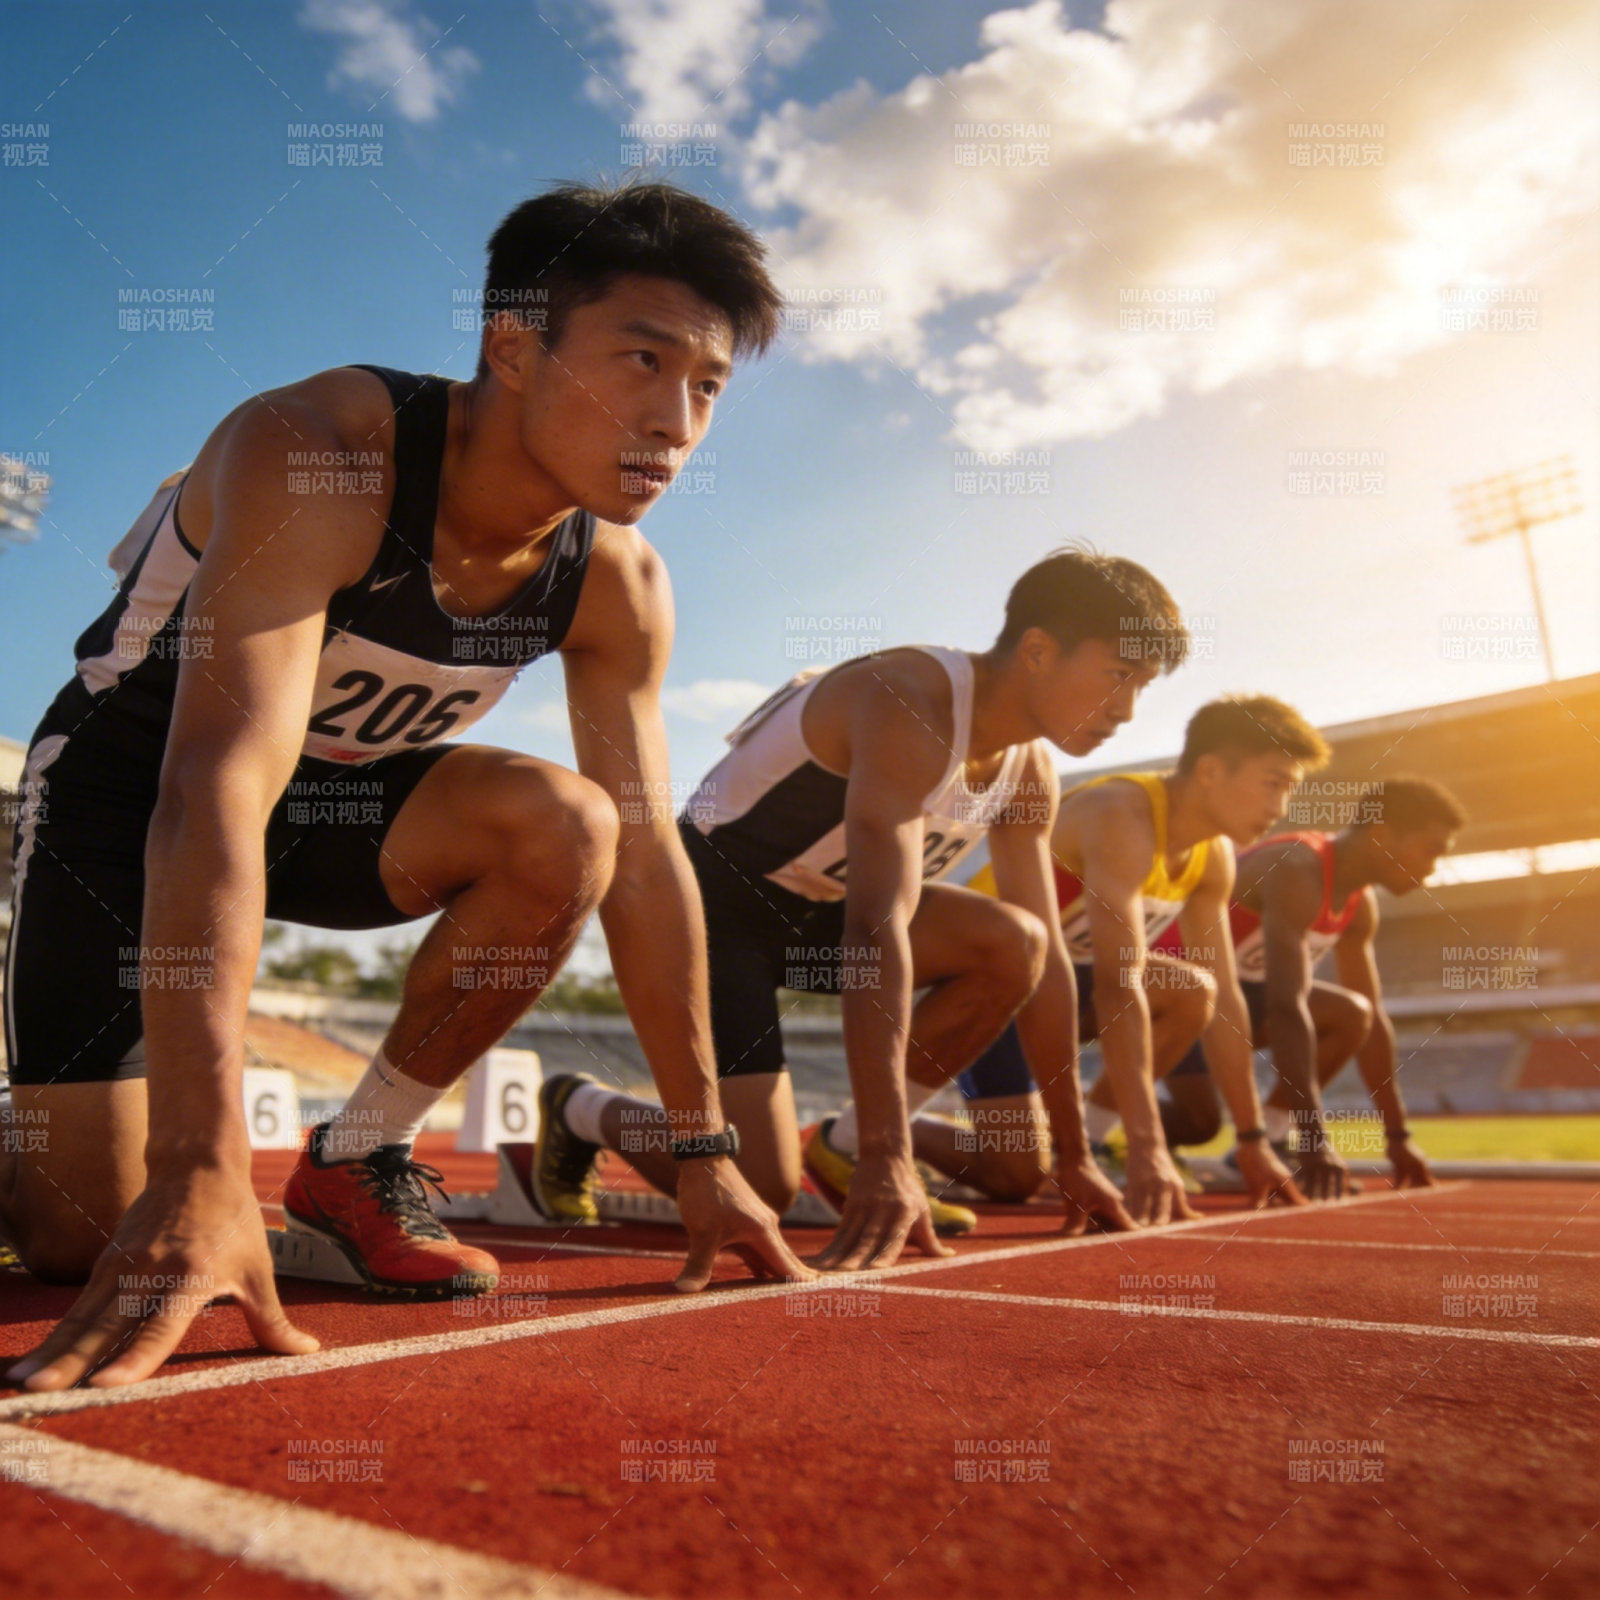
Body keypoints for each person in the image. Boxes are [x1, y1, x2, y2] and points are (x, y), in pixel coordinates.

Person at [3, 180, 813, 1395]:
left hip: (336, 808)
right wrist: (200, 1159)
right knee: (77, 1237)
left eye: (706, 387)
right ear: (512, 348)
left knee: (577, 823)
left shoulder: (618, 583)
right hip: (131, 799)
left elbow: (645, 862)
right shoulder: (322, 451)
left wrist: (700, 1143)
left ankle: (359, 1152)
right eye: (641, 361)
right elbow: (213, 782)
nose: (675, 418)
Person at [531, 549, 1188, 1262]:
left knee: (1020, 942)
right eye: (1118, 676)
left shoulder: (1029, 774)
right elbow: (877, 927)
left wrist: (1075, 1152)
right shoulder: (910, 698)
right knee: (761, 1188)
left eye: (1142, 688)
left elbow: (1052, 965)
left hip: (821, 917)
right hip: (716, 913)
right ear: (1037, 650)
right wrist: (889, 1155)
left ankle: (844, 1140)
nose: (1125, 711)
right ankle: (581, 1107)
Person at [930, 696, 1318, 1219]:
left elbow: (1226, 997)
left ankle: (1090, 1141)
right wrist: (1148, 1146)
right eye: (1273, 783)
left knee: (1196, 989)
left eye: (1289, 789)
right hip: (991, 987)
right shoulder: (1120, 814)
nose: (1281, 805)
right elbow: (1119, 986)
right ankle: (867, 1131)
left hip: (1062, 988)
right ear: (1209, 770)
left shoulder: (1213, 854)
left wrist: (1252, 1138)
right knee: (1015, 1176)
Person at [1156, 775, 1465, 1197]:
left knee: (1353, 1014)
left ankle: (1274, 1141)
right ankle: (1102, 1129)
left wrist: (1397, 1136)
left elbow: (1372, 1025)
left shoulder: (1358, 906)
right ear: (1381, 834)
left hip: (1235, 1006)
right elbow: (1287, 1006)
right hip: (1172, 1001)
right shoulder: (1296, 869)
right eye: (1430, 851)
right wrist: (1316, 1139)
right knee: (1199, 1123)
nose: (1432, 868)